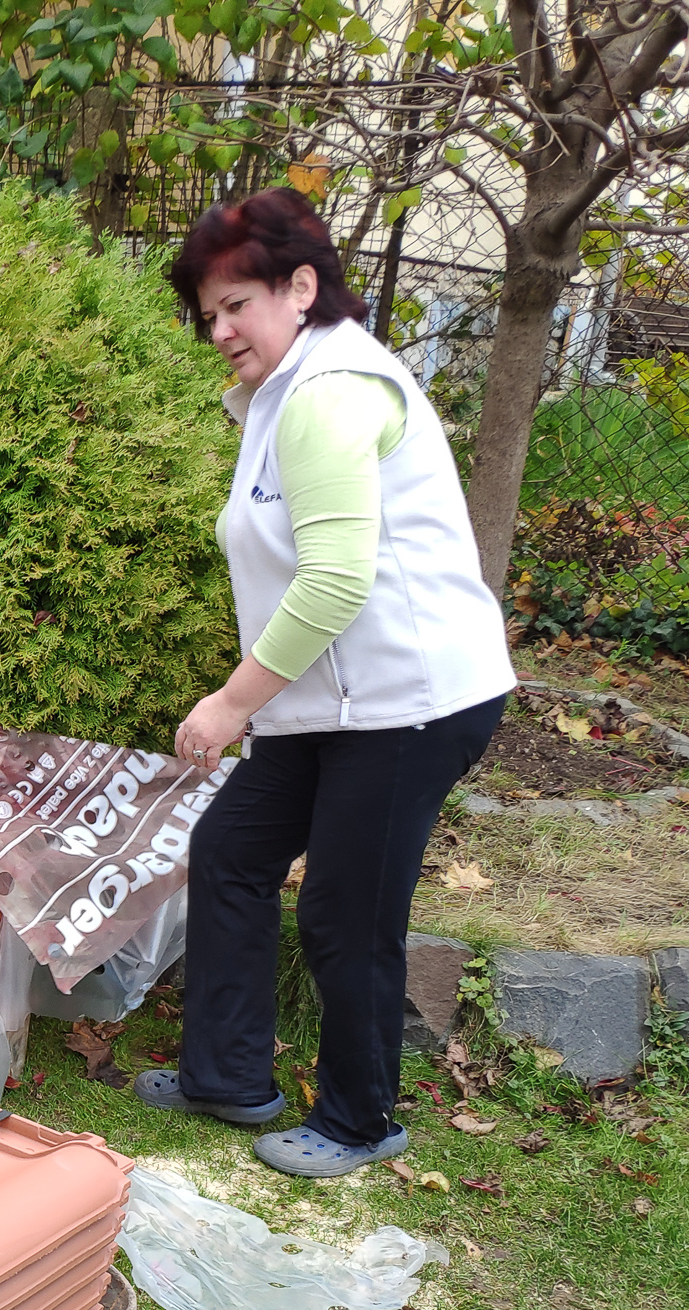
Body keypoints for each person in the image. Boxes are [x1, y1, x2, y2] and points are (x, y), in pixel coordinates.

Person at [135, 187, 514, 1179]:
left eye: (237, 305)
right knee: (232, 850)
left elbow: (337, 580)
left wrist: (232, 702)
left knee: (346, 910)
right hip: (328, 697)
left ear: (301, 288)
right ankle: (227, 1076)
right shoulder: (280, 391)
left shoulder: (331, 391)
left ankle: (358, 1118)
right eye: (208, 313)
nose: (219, 330)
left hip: (411, 699)